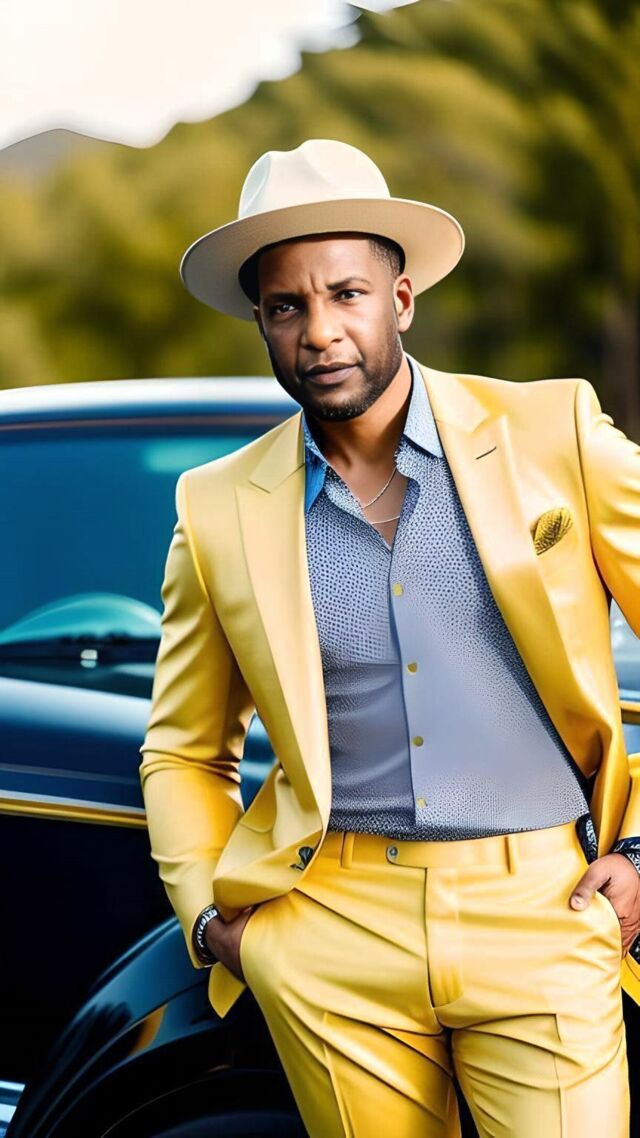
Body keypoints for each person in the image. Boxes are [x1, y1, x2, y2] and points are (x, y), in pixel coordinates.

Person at [138, 138, 640, 1136]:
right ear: (261, 322)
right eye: (286, 306)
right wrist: (213, 921)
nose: (319, 331)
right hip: (328, 932)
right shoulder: (216, 506)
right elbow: (183, 748)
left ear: (400, 300)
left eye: (346, 294)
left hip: (545, 912)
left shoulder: (554, 433)